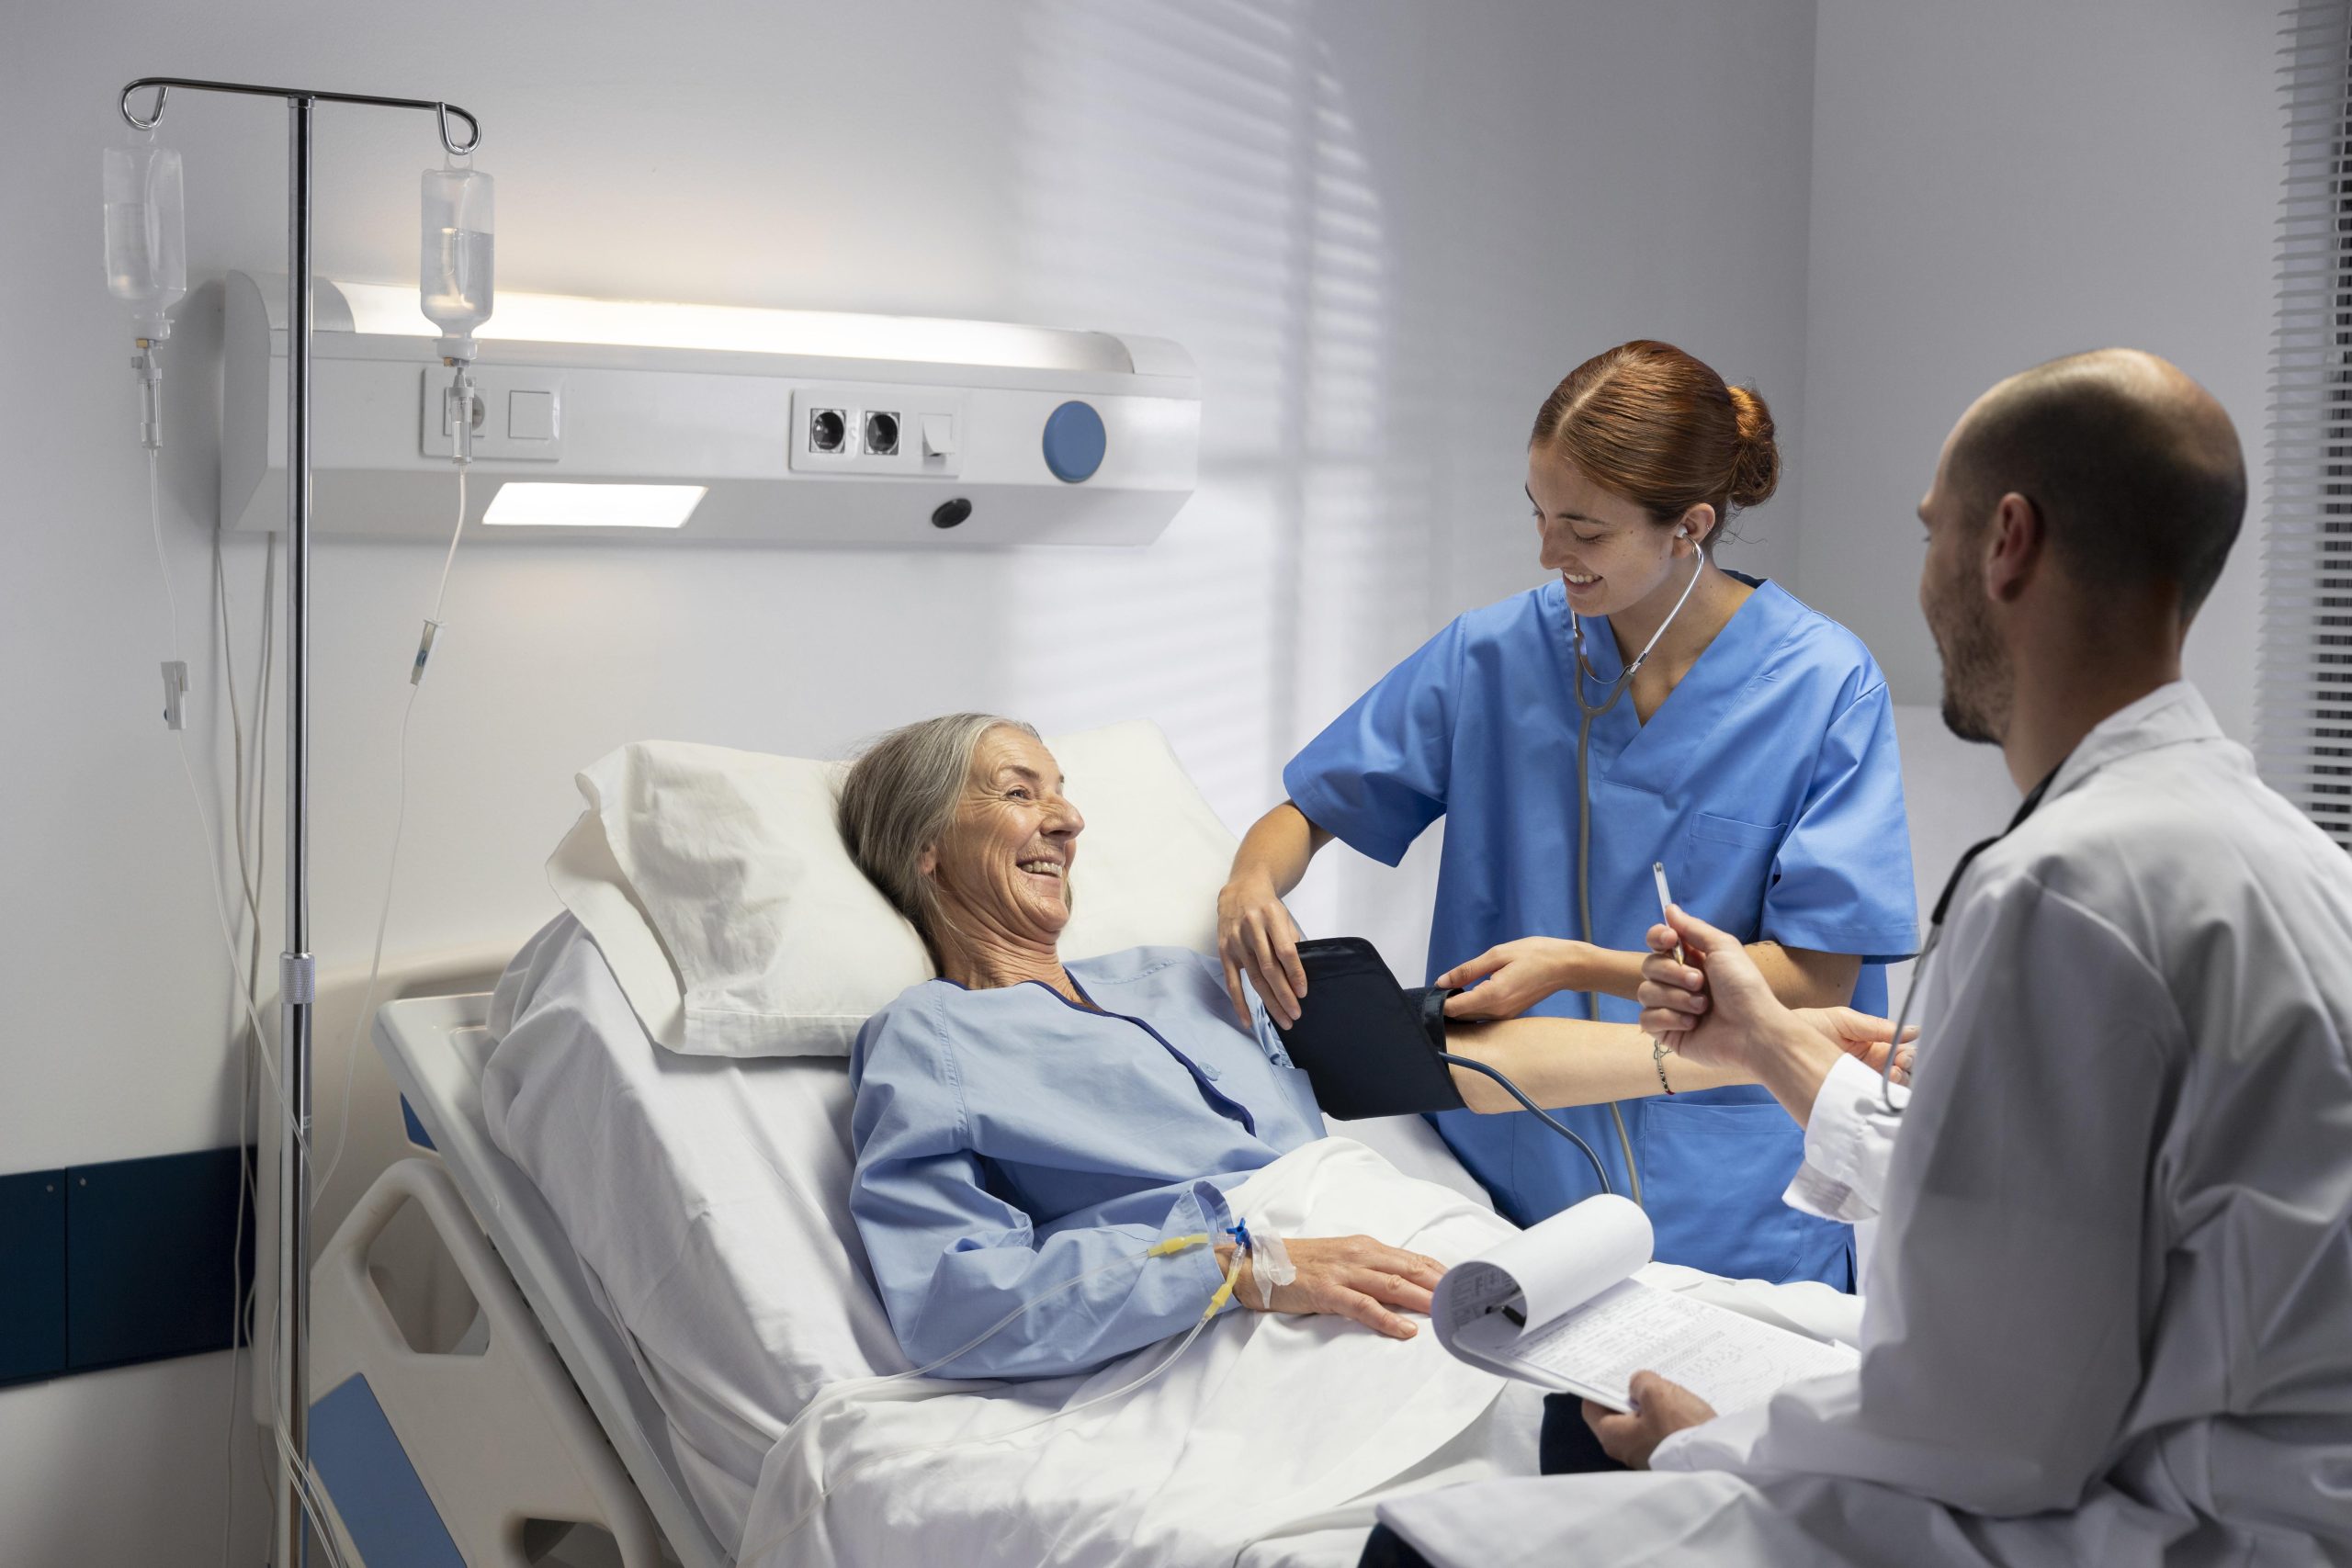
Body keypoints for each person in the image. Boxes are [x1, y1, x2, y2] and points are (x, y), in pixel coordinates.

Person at [1369, 349, 2352, 1566]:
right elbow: (2072, 1211)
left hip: (2159, 1528)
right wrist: (1768, 1044)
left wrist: (1718, 1441)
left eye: (1932, 532)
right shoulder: (2286, 856)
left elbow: (1995, 1427)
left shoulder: (2063, 885)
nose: (1924, 577)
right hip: (2254, 1499)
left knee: (1422, 1546)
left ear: (2006, 543)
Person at [836, 713, 1906, 1380]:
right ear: (925, 849)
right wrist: (1243, 1267)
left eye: (1062, 791)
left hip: (1420, 1244)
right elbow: (954, 1302)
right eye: (1018, 793)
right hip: (1272, 1310)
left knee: (1809, 1356)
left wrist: (1763, 1045)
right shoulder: (928, 1039)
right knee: (1655, 1429)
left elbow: (1450, 1060)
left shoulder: (1179, 976)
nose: (1067, 820)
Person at [1219, 339, 1918, 1292]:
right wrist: (1251, 878)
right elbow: (1310, 809)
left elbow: (1818, 975)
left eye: (1584, 531)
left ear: (1689, 527)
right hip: (1511, 1180)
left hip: (1733, 1204)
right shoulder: (1493, 655)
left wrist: (1578, 964)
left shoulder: (1823, 684)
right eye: (1539, 515)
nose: (1549, 554)